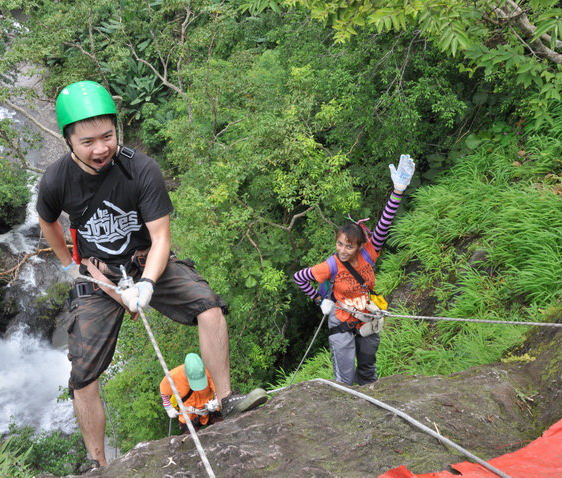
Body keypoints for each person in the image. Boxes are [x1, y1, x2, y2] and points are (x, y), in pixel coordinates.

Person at [36, 80, 267, 468]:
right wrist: (68, 262)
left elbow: (161, 237)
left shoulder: (140, 169)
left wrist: (146, 284)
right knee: (83, 374)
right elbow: (47, 222)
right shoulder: (57, 180)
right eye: (88, 141)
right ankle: (98, 463)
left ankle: (225, 399)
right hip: (98, 275)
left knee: (209, 308)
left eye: (107, 136)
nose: (101, 148)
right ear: (68, 141)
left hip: (146, 261)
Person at [293, 155, 416, 386]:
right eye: (340, 244)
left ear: (360, 246)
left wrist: (398, 191)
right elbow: (300, 277)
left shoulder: (369, 253)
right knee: (346, 379)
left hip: (366, 316)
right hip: (340, 320)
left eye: (349, 246)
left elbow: (384, 224)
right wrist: (319, 300)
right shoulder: (330, 265)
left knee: (368, 370)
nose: (343, 250)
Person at [160, 353, 222, 433]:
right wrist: (169, 408)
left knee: (223, 429)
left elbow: (218, 390)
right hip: (188, 413)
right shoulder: (172, 377)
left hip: (209, 408)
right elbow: (164, 393)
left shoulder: (209, 370)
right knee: (191, 440)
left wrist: (216, 401)